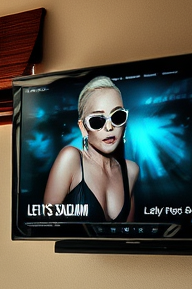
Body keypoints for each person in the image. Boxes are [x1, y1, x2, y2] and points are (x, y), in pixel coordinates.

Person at [43, 75, 140, 222]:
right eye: (97, 121)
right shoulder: (70, 159)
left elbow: (129, 237)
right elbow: (45, 227)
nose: (109, 127)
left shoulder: (131, 171)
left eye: (117, 116)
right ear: (83, 128)